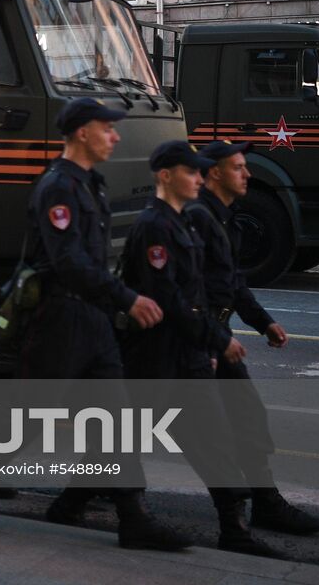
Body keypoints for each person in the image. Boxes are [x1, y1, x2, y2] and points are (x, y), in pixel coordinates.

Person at [20, 97, 190, 551]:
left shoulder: (91, 184)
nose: (115, 136)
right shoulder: (59, 186)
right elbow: (68, 261)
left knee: (117, 422)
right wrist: (128, 297)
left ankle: (132, 517)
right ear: (81, 133)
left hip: (92, 318)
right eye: (107, 128)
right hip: (62, 317)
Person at [121, 140, 284, 558]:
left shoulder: (182, 221)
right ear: (165, 176)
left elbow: (215, 285)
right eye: (191, 172)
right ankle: (96, 507)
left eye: (200, 171)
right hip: (158, 353)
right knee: (125, 438)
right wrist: (218, 338)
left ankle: (236, 529)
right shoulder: (157, 225)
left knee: (211, 437)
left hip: (188, 351)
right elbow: (170, 297)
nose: (199, 178)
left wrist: (237, 328)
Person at [190, 140, 319, 536]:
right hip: (196, 341)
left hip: (216, 337)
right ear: (214, 173)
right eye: (238, 167)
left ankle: (265, 502)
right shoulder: (198, 218)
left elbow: (232, 282)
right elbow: (187, 291)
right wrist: (216, 339)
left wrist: (262, 321)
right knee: (177, 426)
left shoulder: (225, 217)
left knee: (247, 415)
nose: (247, 174)